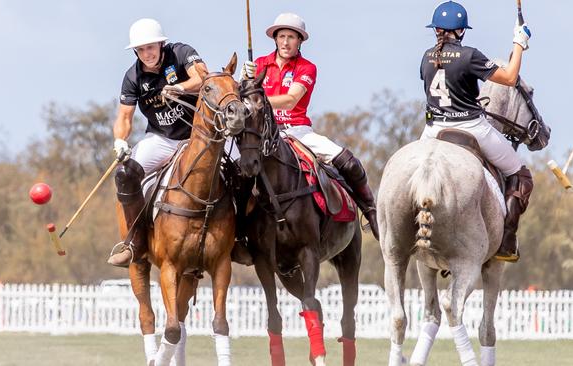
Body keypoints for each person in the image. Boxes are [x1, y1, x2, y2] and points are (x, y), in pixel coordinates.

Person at [240, 13, 379, 240]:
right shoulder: (259, 65)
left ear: (300, 41)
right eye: (281, 36)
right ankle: (235, 225)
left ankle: (370, 211)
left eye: (291, 37)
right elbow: (239, 100)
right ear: (275, 39)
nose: (285, 42)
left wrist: (257, 99)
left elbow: (291, 99)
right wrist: (243, 80)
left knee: (349, 162)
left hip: (297, 131)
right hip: (261, 133)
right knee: (230, 168)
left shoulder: (307, 67)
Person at [419, 1, 533, 262]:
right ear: (461, 31)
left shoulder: (426, 55)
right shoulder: (469, 55)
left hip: (433, 130)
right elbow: (510, 78)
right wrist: (519, 44)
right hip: (471, 127)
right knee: (520, 174)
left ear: (436, 29)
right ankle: (506, 240)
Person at [107, 18, 208, 267]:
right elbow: (124, 117)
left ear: (161, 44)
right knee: (125, 174)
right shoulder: (132, 77)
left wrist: (181, 88)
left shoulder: (181, 52)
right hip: (162, 139)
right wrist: (120, 140)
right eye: (140, 50)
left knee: (239, 164)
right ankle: (135, 242)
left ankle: (243, 236)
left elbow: (203, 77)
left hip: (199, 135)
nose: (146, 54)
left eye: (150, 47)